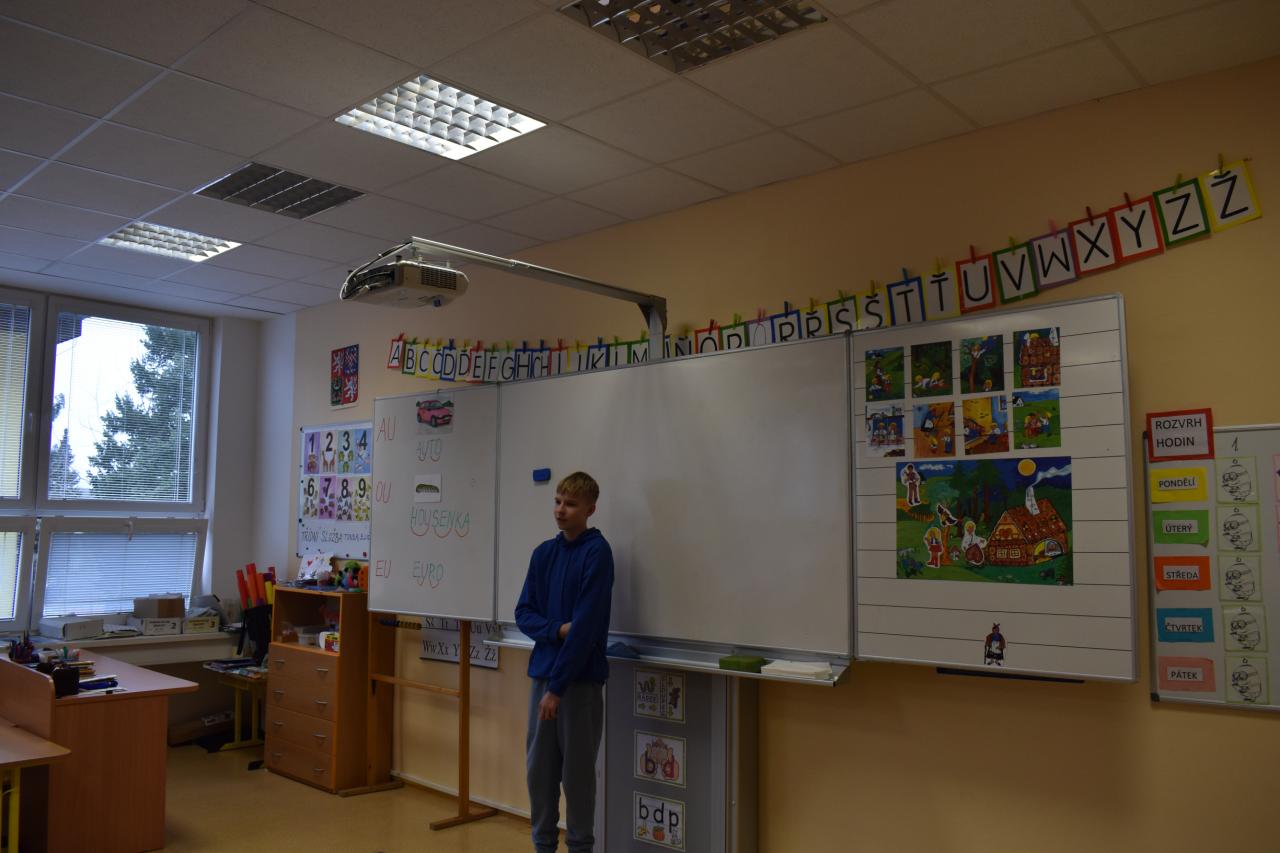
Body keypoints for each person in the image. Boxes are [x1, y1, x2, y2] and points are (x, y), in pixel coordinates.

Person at [515, 472, 614, 853]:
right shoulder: (543, 554)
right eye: (557, 501)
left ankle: (580, 846)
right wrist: (556, 629)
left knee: (577, 776)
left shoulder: (597, 553)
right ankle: (543, 845)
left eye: (570, 504)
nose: (560, 510)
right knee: (539, 772)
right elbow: (524, 613)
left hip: (579, 683)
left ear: (590, 509)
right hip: (543, 677)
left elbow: (585, 629)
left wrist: (557, 689)